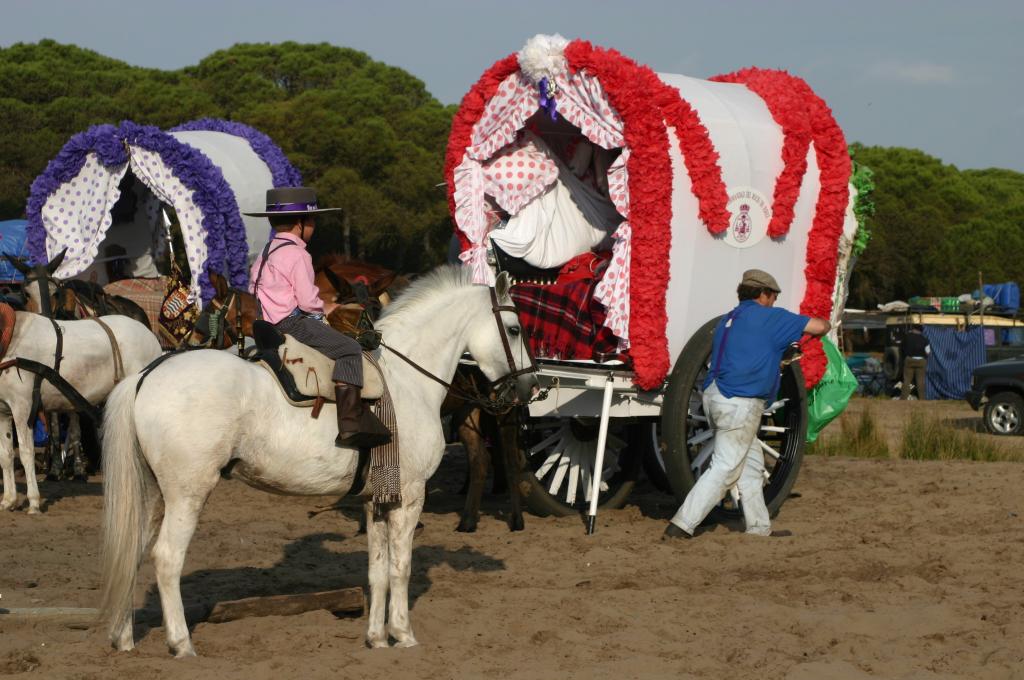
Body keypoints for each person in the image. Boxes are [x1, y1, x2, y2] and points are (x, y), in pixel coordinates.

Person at [663, 269, 830, 540]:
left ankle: (759, 528)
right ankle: (681, 525)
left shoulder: (729, 319)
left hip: (715, 396)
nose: (775, 301)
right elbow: (820, 327)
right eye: (774, 296)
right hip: (741, 402)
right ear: (763, 295)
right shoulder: (771, 317)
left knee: (750, 466)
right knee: (726, 468)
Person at [244, 187, 391, 449]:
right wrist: (327, 309)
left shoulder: (265, 253)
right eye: (311, 221)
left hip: (264, 325)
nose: (313, 226)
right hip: (292, 324)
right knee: (349, 348)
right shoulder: (298, 254)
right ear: (300, 224)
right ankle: (350, 423)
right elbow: (307, 302)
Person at [899, 325, 930, 400]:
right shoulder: (925, 339)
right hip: (921, 361)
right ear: (921, 331)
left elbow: (901, 349)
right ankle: (922, 399)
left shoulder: (907, 337)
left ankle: (903, 398)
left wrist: (904, 358)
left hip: (909, 360)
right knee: (920, 381)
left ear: (914, 329)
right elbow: (928, 352)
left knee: (907, 380)